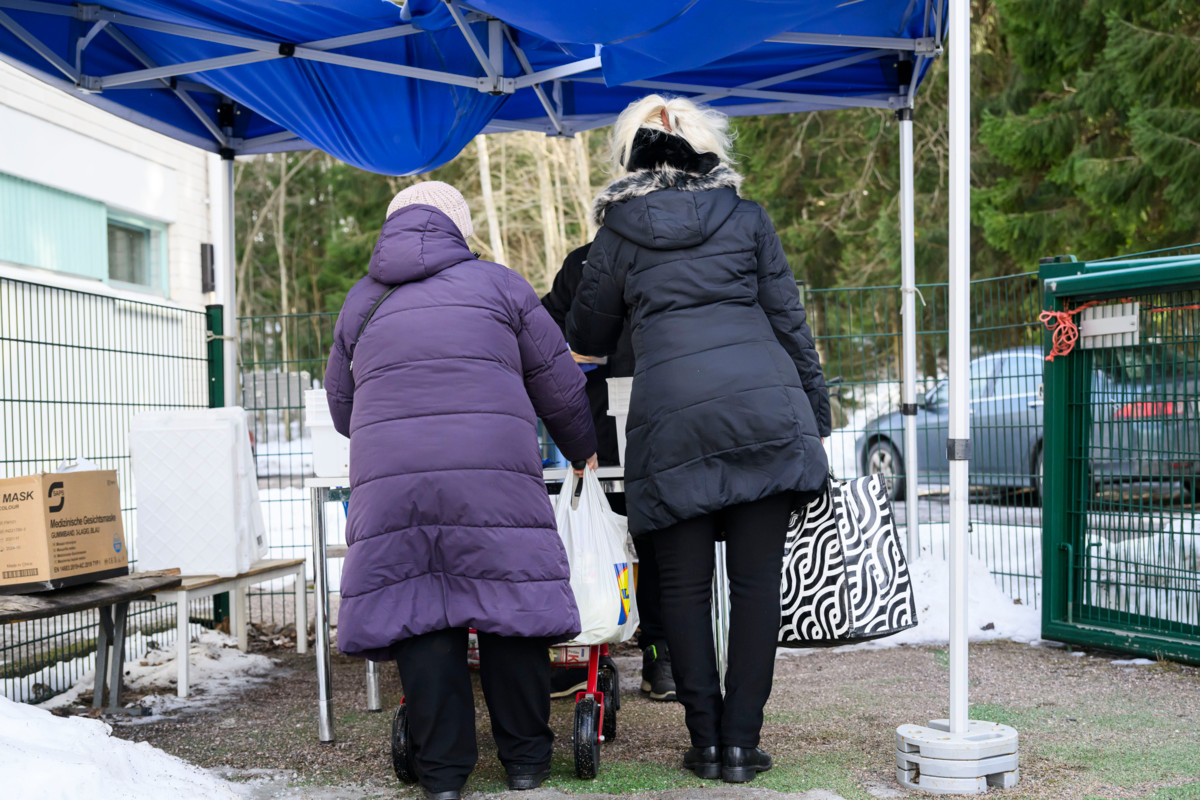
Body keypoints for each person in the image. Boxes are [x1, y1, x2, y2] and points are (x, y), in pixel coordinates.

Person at [567, 96, 831, 784]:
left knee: (682, 590)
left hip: (673, 421)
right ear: (710, 147)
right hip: (764, 412)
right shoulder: (746, 217)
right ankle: (742, 745)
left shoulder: (619, 232)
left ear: (631, 155)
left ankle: (706, 742)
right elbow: (789, 323)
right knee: (756, 588)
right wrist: (816, 417)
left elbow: (587, 337)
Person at [324, 181, 598, 800]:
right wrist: (582, 446)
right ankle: (526, 762)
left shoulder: (361, 300)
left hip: (395, 482)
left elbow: (343, 409)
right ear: (458, 227)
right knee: (510, 603)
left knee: (418, 609)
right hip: (492, 475)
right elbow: (558, 385)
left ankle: (444, 776)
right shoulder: (500, 285)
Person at [541, 243, 677, 703]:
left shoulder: (671, 255)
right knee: (590, 543)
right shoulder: (583, 262)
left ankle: (659, 652)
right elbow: (543, 325)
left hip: (662, 420)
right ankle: (583, 653)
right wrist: (568, 352)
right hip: (595, 427)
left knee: (659, 541)